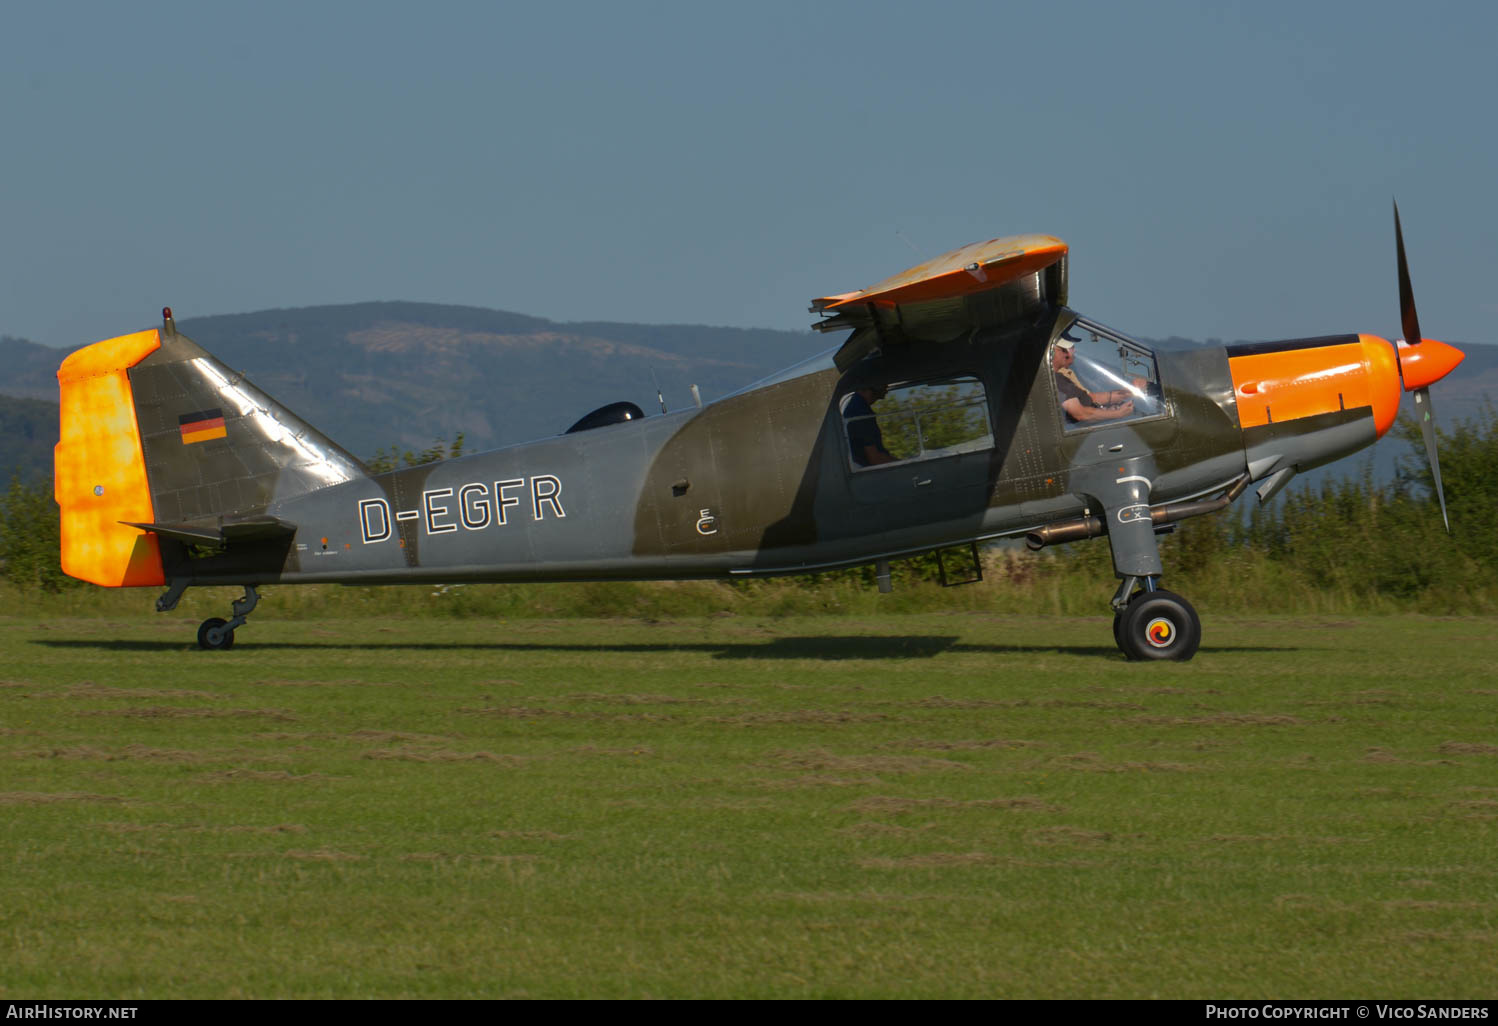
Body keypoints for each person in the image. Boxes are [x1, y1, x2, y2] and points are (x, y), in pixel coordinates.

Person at [1052, 338, 1135, 424]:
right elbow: (1080, 414)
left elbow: (1090, 398)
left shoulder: (1063, 376)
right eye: (1067, 351)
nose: (1071, 355)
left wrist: (1124, 394)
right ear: (1054, 351)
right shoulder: (1056, 381)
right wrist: (1118, 414)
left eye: (1072, 350)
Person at [843, 385, 895, 466]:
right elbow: (875, 459)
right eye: (884, 384)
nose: (886, 389)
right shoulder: (860, 412)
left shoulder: (858, 407)